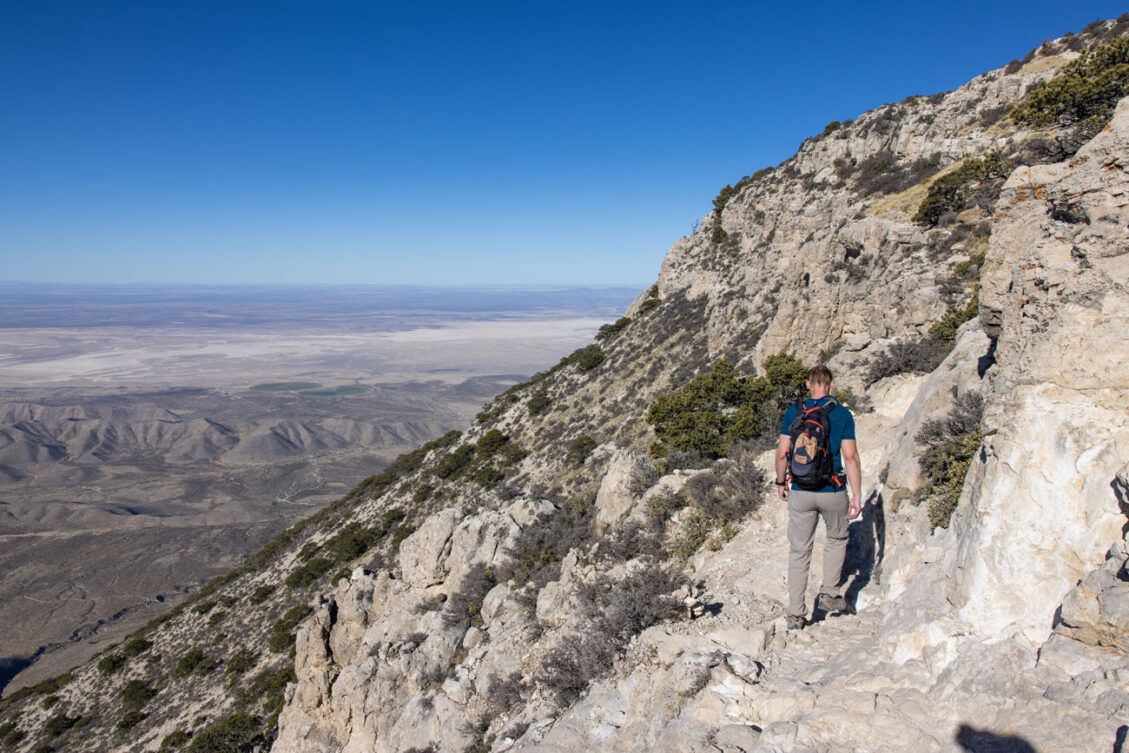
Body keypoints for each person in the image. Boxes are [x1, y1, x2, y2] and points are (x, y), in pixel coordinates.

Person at [775, 365, 862, 630]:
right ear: (831, 385)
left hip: (801, 491)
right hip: (833, 490)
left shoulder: (795, 411)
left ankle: (796, 614)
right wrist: (857, 495)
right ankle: (830, 593)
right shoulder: (843, 414)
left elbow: (782, 452)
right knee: (836, 539)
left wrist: (781, 481)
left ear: (807, 384)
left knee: (799, 550)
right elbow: (850, 457)